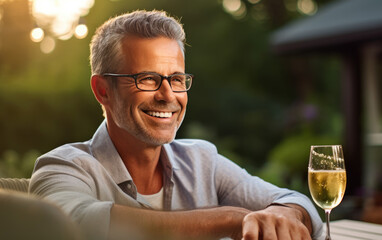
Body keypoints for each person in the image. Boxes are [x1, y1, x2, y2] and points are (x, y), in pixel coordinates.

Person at [30, 10, 324, 240]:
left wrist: (286, 214)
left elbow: (296, 201)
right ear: (103, 90)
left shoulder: (202, 160)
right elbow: (72, 224)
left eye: (177, 79)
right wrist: (232, 218)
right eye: (147, 78)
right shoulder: (63, 167)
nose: (168, 95)